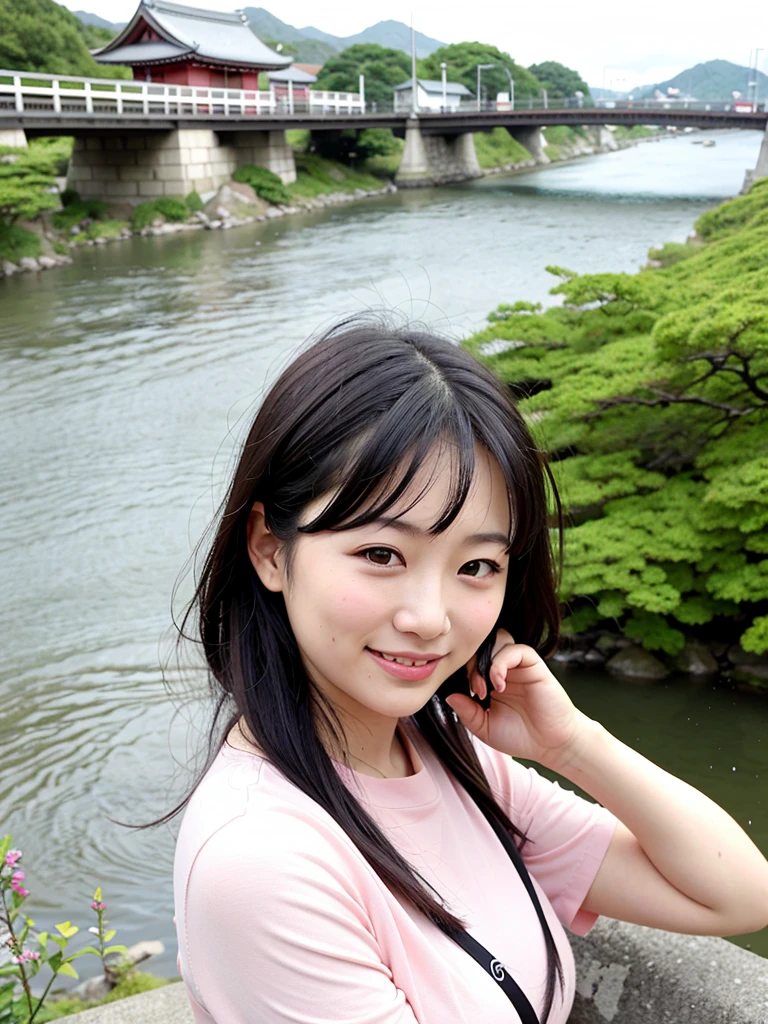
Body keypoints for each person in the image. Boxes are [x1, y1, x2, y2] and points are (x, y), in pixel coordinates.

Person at [168, 318, 768, 1024]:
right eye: (382, 555)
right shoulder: (264, 863)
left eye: (476, 566)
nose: (430, 617)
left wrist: (570, 744)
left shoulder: (444, 757)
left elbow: (735, 894)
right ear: (271, 550)